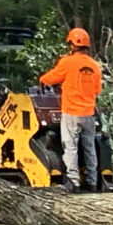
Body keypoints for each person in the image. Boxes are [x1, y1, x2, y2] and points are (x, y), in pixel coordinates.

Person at [40, 28, 105, 191]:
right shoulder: (94, 66)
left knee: (70, 147)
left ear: (72, 45)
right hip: (89, 114)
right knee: (89, 148)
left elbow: (50, 78)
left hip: (71, 113)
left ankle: (73, 182)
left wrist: (42, 80)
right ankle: (92, 182)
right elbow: (97, 90)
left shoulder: (67, 62)